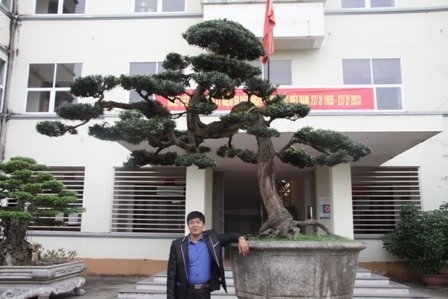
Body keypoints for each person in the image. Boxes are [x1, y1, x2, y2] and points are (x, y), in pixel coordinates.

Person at [166, 211, 250, 299]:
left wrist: (241, 238)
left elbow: (230, 236)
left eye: (198, 222)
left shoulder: (212, 239)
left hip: (204, 292)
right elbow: (171, 275)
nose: (195, 225)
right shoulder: (178, 245)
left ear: (203, 225)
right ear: (188, 225)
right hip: (185, 292)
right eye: (192, 223)